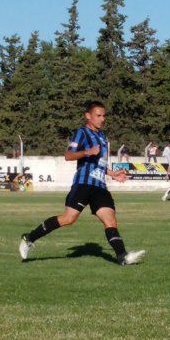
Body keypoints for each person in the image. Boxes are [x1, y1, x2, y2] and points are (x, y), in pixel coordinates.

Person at [18, 101, 145, 266]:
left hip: (100, 187)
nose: (102, 119)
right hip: (83, 184)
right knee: (68, 219)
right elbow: (68, 155)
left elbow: (99, 163)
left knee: (110, 220)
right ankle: (29, 238)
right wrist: (87, 152)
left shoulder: (102, 136)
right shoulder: (82, 133)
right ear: (88, 116)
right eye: (98, 115)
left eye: (104, 116)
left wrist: (113, 174)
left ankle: (122, 256)